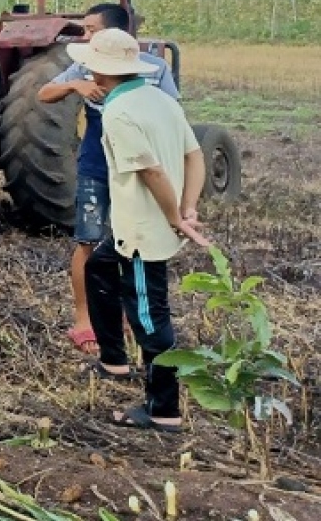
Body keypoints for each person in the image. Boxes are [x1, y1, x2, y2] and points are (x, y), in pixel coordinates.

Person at [66, 28, 207, 433]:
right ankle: (113, 359)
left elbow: (151, 170)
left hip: (143, 232)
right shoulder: (161, 99)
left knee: (150, 318)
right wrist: (188, 206)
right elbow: (194, 155)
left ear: (98, 73)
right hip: (136, 226)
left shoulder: (118, 112)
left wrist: (175, 217)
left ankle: (163, 409)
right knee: (99, 270)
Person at [37, 3, 178, 357]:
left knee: (132, 239)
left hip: (133, 167)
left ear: (118, 34)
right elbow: (43, 94)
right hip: (97, 166)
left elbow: (170, 116)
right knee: (88, 241)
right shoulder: (83, 66)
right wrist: (75, 85)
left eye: (90, 30)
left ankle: (128, 316)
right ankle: (85, 319)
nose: (84, 37)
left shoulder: (155, 69)